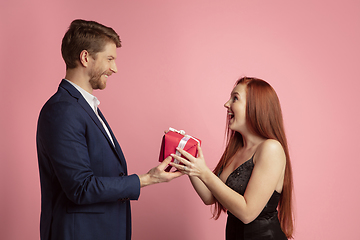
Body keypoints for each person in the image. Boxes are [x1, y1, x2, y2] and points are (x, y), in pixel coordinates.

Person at [36, 19, 182, 240]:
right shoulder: (62, 110)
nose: (114, 68)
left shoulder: (83, 107)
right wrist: (147, 178)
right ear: (85, 58)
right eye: (110, 59)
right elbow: (81, 187)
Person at [170, 77, 294, 239]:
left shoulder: (271, 148)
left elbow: (248, 213)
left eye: (235, 98)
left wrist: (204, 172)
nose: (226, 104)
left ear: (255, 106)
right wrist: (188, 158)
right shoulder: (237, 150)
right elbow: (210, 196)